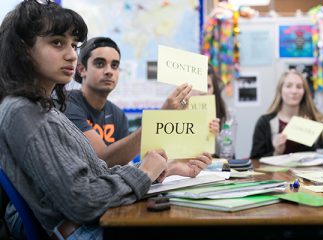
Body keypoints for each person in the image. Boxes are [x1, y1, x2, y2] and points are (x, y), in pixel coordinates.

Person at [0, 1, 211, 240]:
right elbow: (82, 200)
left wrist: (162, 170)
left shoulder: (45, 109)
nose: (71, 55)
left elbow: (99, 173)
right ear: (22, 49)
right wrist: (144, 174)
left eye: (73, 45)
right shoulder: (24, 111)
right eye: (57, 42)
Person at [64, 37, 195, 167]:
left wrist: (173, 166)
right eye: (100, 64)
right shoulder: (67, 104)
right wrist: (162, 117)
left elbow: (120, 168)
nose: (109, 71)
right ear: (81, 69)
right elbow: (101, 160)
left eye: (114, 65)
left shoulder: (118, 115)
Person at [250, 69, 323, 160]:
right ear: (280, 90)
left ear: (304, 92)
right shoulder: (264, 122)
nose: (294, 91)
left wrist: (307, 139)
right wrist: (277, 152)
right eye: (288, 86)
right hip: (274, 174)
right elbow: (255, 160)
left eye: (299, 87)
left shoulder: (318, 122)